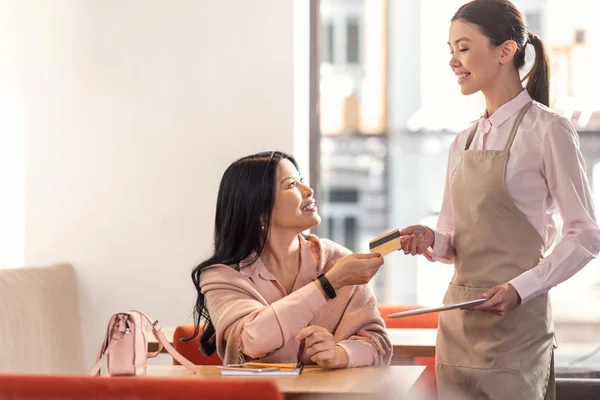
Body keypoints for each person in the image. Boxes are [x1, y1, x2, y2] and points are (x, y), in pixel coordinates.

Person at [399, 0, 600, 398]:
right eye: (451, 50)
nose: (454, 61)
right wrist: (430, 240)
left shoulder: (549, 131)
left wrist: (520, 289)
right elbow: (452, 236)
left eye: (464, 47)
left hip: (517, 331)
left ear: (505, 51)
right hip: (459, 326)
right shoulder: (463, 140)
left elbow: (586, 236)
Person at [186, 151, 392, 369]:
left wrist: (338, 354)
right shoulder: (223, 276)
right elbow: (252, 340)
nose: (308, 190)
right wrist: (327, 285)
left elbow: (377, 342)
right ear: (260, 210)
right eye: (291, 185)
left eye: (301, 181)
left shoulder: (338, 260)